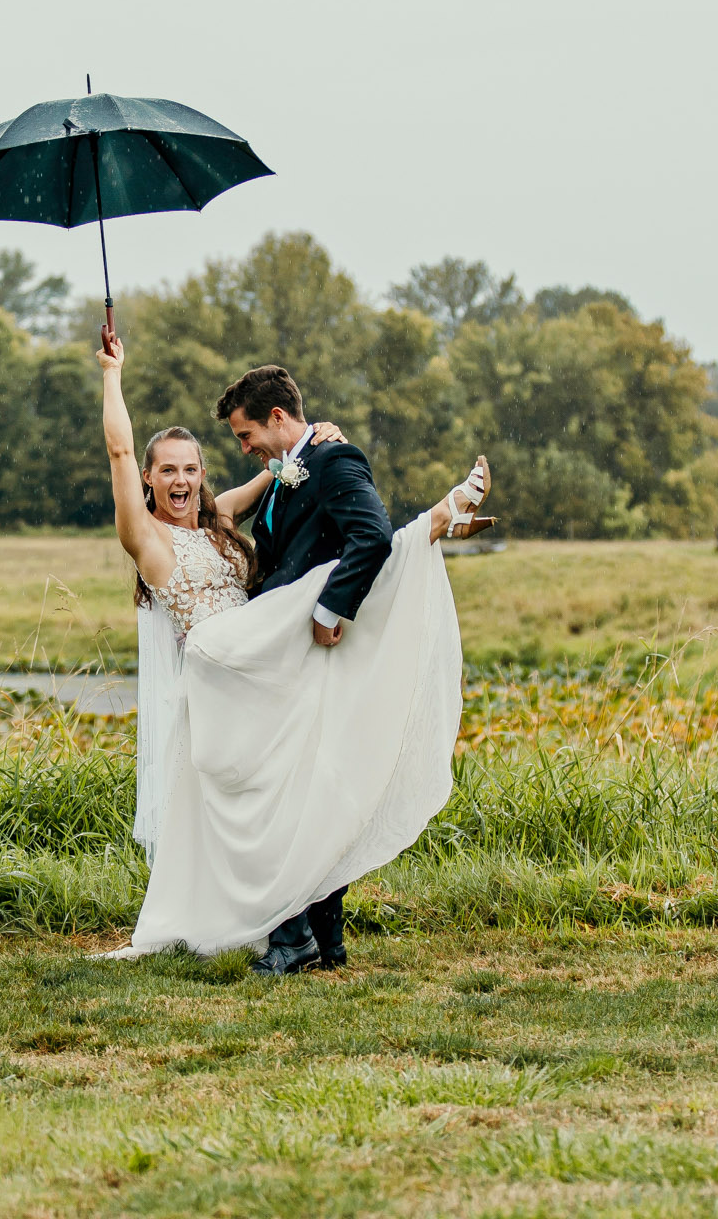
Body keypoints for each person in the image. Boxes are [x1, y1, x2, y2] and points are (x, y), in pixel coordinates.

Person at [98, 334, 492, 972]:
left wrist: (306, 443)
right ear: (147, 478)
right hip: (224, 663)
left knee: (297, 786)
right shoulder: (146, 538)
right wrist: (113, 375)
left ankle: (424, 532)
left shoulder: (216, 519)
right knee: (303, 608)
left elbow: (275, 470)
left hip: (264, 664)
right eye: (167, 469)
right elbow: (118, 446)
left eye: (192, 468)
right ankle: (429, 526)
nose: (182, 479)